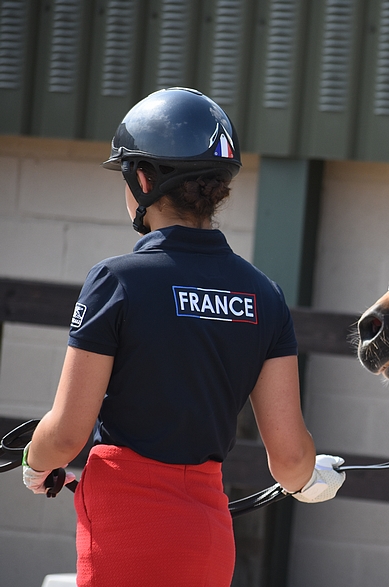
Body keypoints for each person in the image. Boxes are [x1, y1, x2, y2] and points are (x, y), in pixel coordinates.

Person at [20, 87, 345, 586]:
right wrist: (309, 477)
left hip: (125, 532)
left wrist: (34, 460)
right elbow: (290, 459)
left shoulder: (117, 280)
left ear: (144, 177)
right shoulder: (265, 295)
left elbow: (66, 434)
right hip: (207, 536)